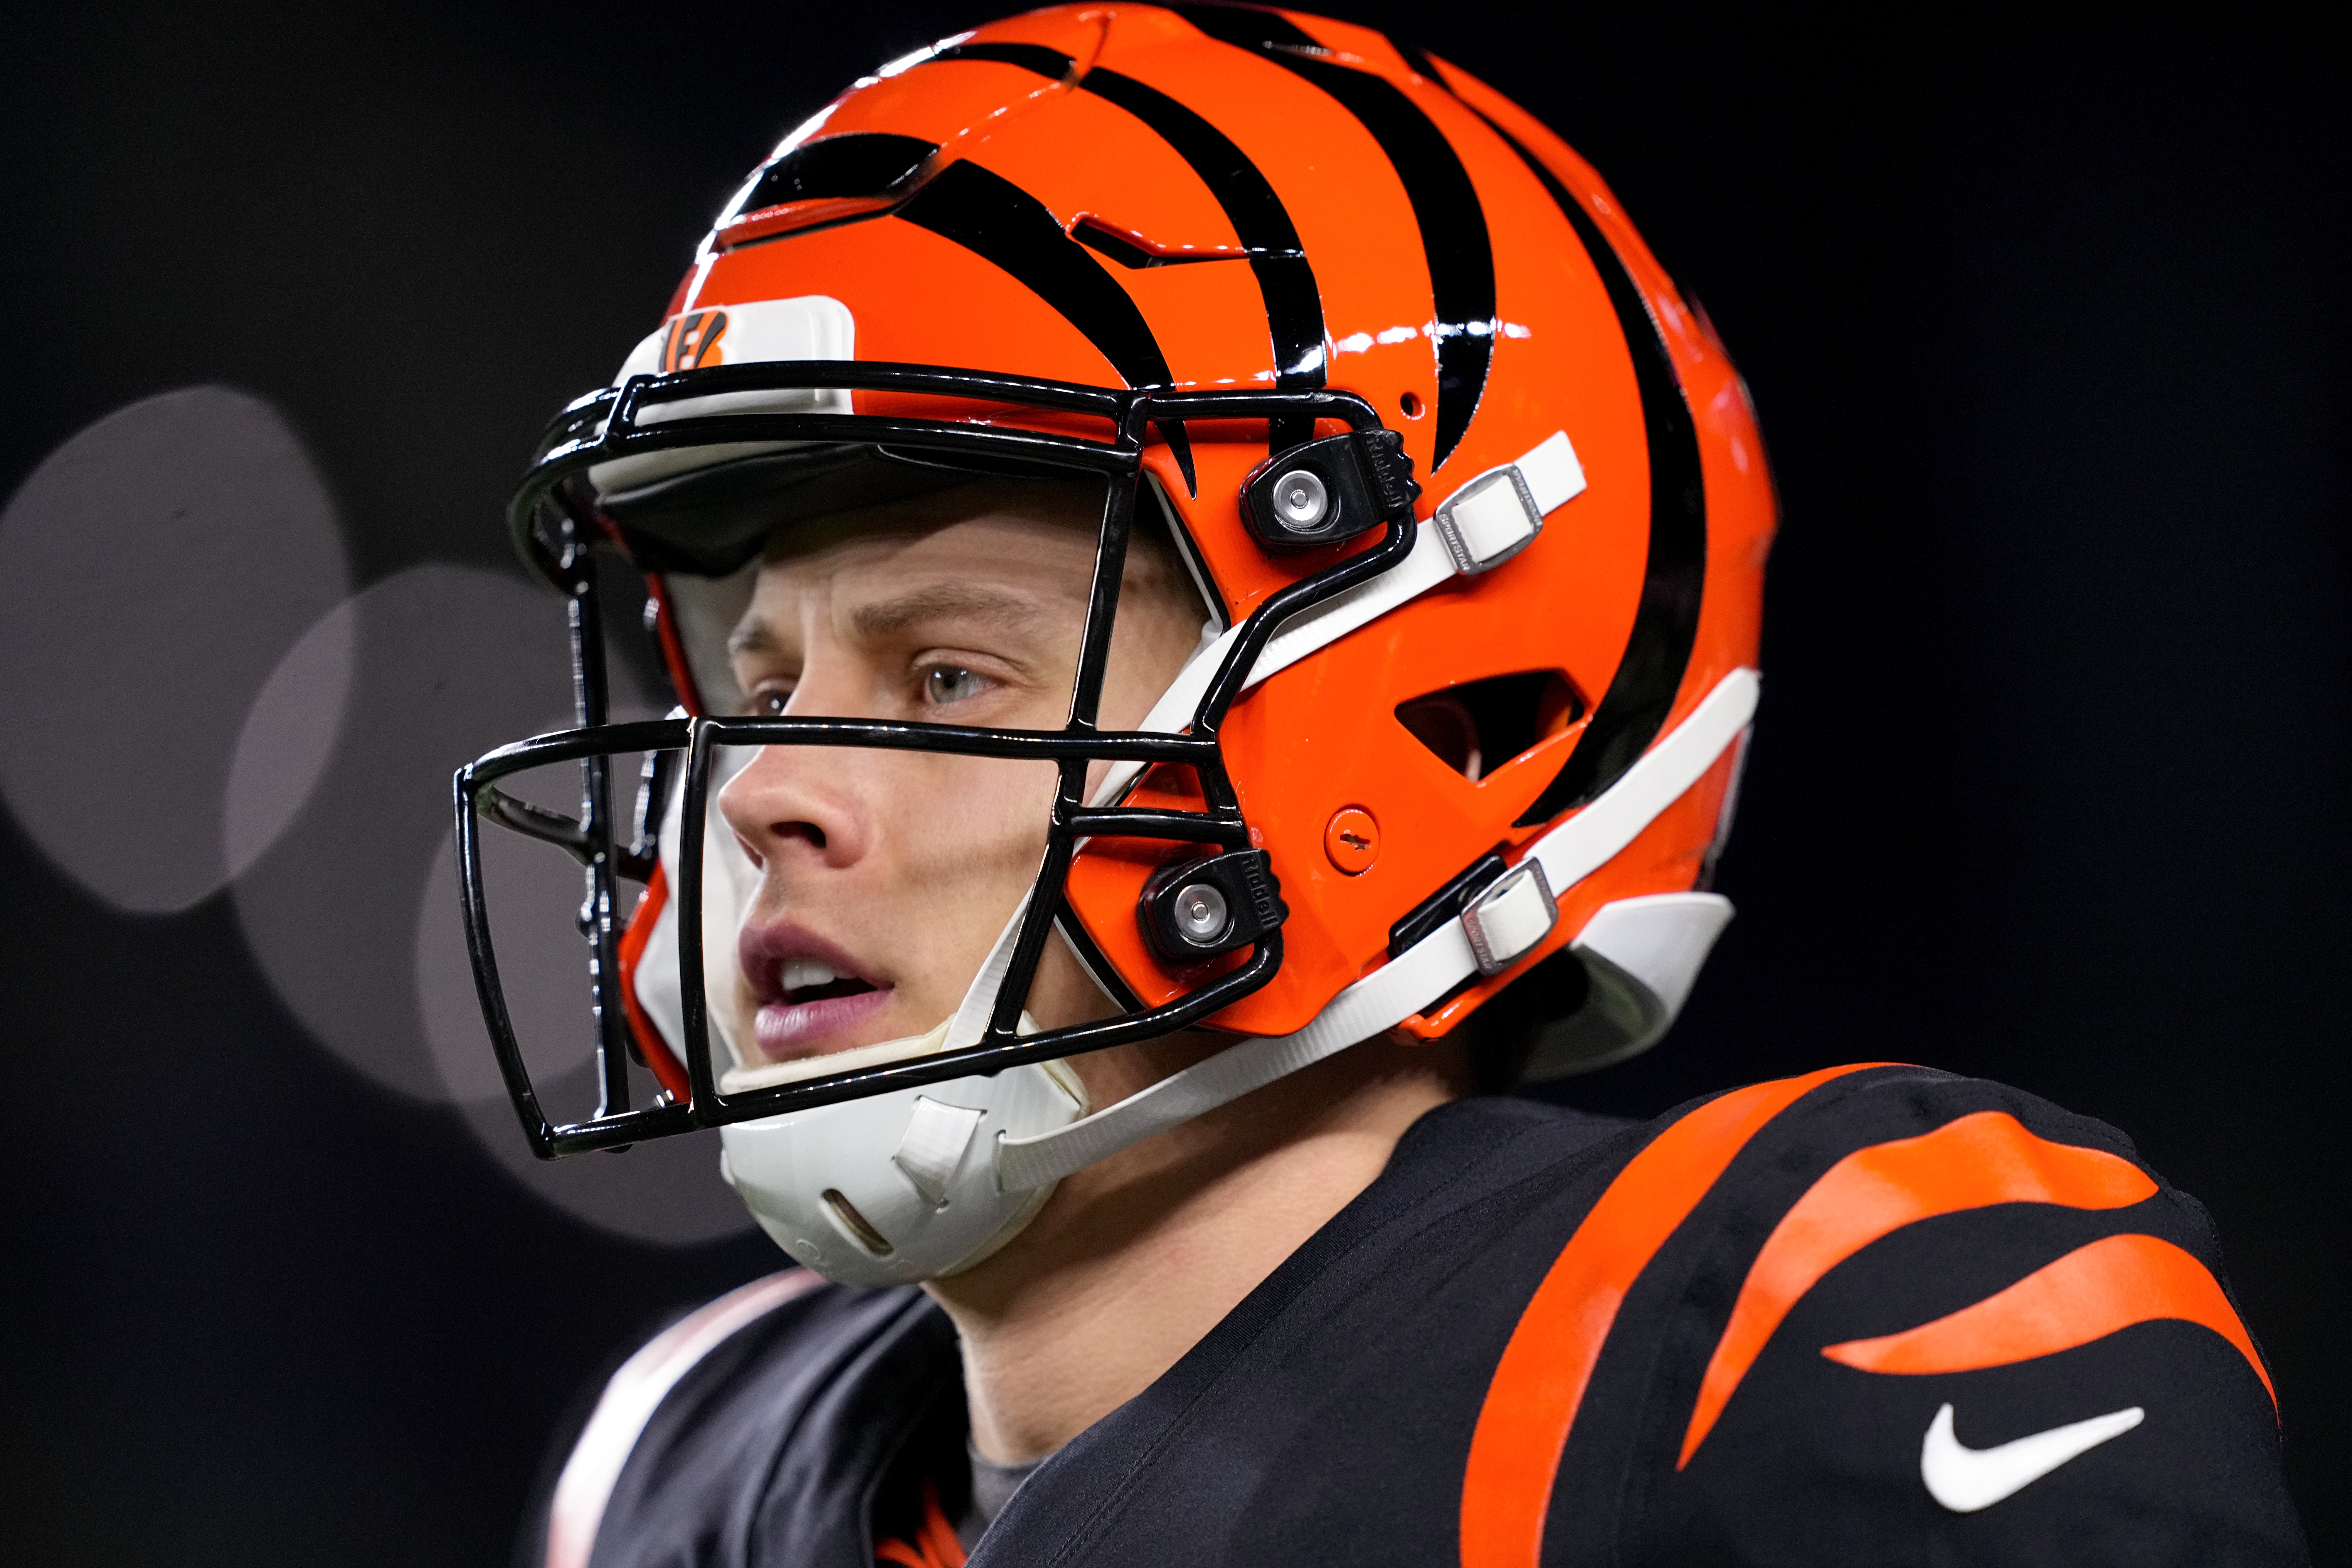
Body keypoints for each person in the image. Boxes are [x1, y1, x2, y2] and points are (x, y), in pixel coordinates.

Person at [453, 6, 2306, 1563]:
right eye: (764, 685)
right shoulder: (680, 1473)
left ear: (1444, 715)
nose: (771, 790)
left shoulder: (1809, 1329)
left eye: (949, 674)